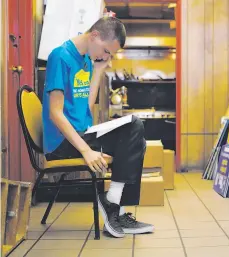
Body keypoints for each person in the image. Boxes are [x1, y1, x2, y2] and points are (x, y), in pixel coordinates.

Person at [42, 17, 154, 238]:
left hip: (83, 133)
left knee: (136, 134)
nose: (105, 56)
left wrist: (99, 70)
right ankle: (113, 204)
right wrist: (85, 150)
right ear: (94, 35)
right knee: (134, 128)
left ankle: (117, 209)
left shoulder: (85, 59)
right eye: (105, 50)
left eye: (110, 54)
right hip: (63, 143)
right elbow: (55, 113)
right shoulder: (60, 56)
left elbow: (86, 104)